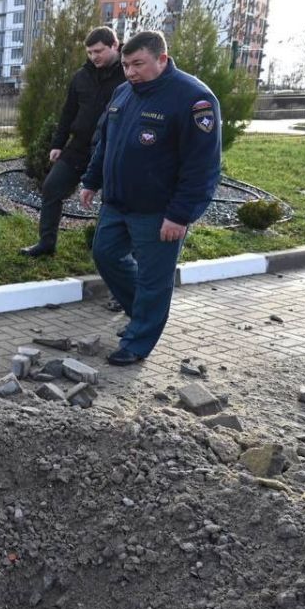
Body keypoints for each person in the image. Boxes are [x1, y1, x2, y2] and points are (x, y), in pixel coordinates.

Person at [79, 30, 221, 366]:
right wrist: (90, 181)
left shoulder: (194, 99)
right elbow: (106, 143)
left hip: (159, 212)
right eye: (126, 65)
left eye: (138, 64)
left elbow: (202, 166)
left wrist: (181, 215)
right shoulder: (123, 93)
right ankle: (140, 315)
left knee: (154, 280)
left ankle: (139, 342)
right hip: (118, 203)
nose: (130, 72)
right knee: (106, 255)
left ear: (162, 59)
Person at [20, 26, 125, 257]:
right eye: (89, 52)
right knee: (51, 188)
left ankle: (109, 250)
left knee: (113, 200)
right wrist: (58, 144)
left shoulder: (128, 75)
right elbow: (68, 112)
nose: (94, 57)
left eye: (98, 51)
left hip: (111, 149)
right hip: (78, 147)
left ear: (115, 46)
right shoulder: (81, 76)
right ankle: (46, 244)